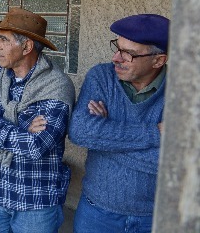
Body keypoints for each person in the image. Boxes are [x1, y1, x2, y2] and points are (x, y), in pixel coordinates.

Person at [0, 7, 75, 233]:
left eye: (4, 40)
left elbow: (36, 147)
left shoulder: (56, 85)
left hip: (36, 196)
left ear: (26, 47)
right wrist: (22, 130)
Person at [69, 14, 169, 233]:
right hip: (96, 213)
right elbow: (80, 131)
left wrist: (103, 138)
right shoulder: (101, 77)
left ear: (158, 60)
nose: (116, 58)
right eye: (117, 47)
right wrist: (155, 133)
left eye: (128, 53)